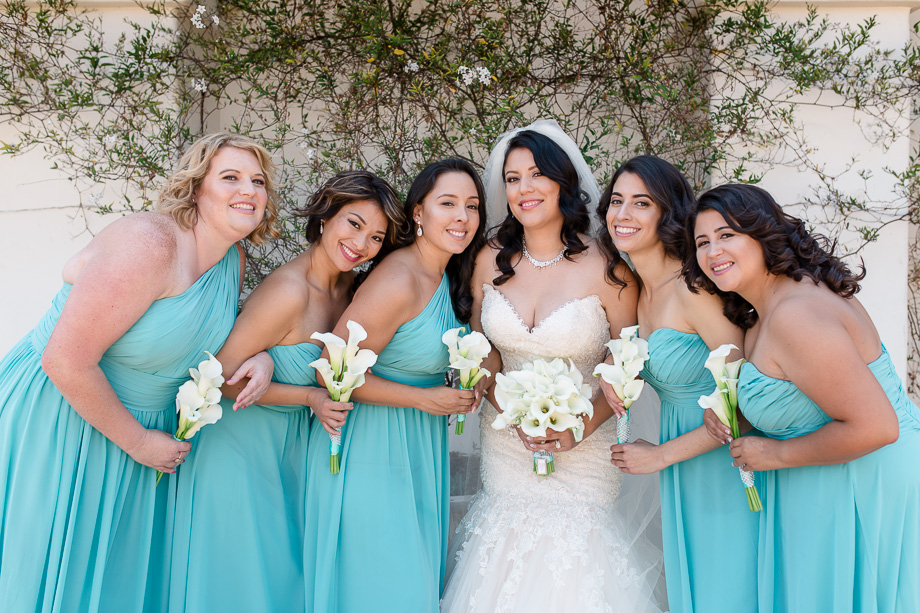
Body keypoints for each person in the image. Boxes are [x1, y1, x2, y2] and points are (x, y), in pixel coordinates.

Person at [0, 132, 277, 613]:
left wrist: (261, 356)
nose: (248, 190)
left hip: (139, 434)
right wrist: (140, 442)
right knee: (49, 572)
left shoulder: (230, 260)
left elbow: (197, 340)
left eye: (258, 181)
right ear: (196, 188)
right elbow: (66, 359)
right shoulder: (148, 244)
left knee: (108, 583)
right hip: (66, 415)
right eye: (230, 177)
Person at [441, 120, 666, 613]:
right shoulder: (487, 260)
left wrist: (578, 427)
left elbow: (625, 365)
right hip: (507, 444)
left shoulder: (609, 268)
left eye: (537, 174)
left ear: (563, 181)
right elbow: (483, 350)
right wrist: (510, 409)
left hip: (585, 450)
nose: (524, 188)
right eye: (513, 178)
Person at [166, 171, 407, 612]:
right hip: (238, 449)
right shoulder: (290, 291)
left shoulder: (350, 288)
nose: (361, 244)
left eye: (376, 237)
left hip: (290, 453)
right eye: (353, 224)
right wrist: (310, 397)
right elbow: (218, 380)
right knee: (243, 585)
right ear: (326, 217)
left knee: (283, 582)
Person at [688, 183, 920, 612]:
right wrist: (733, 411)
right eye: (702, 242)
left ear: (762, 233)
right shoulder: (764, 309)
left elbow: (877, 427)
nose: (713, 251)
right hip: (828, 479)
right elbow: (801, 395)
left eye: (727, 235)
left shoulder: (796, 314)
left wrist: (775, 454)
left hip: (865, 484)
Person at [302, 158, 486, 613]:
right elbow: (331, 370)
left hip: (416, 446)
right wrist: (423, 398)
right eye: (448, 204)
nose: (462, 217)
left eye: (472, 206)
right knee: (383, 589)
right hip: (371, 448)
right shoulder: (400, 277)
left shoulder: (447, 275)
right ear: (419, 212)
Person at [597, 156, 759, 613]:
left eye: (641, 203)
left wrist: (661, 455)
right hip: (681, 463)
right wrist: (613, 367)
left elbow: (744, 393)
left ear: (667, 213)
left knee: (728, 590)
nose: (623, 214)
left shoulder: (693, 288)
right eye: (616, 201)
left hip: (723, 461)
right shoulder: (637, 290)